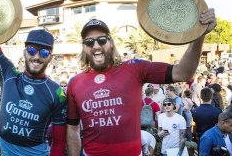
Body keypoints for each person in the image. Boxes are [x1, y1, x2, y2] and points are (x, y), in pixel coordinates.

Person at [66, 11, 216, 156]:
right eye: (89, 42)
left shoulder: (135, 68)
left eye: (102, 40)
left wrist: (199, 35)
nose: (96, 46)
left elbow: (183, 73)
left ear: (110, 43)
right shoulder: (75, 83)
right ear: (84, 47)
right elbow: (72, 129)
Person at [0, 0, 67, 156]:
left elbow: (59, 141)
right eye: (32, 50)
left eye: (44, 53)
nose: (36, 56)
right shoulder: (8, 74)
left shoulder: (56, 92)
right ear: (24, 52)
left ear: (50, 57)